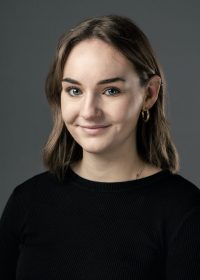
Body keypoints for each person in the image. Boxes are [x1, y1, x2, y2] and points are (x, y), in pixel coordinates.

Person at [0, 15, 200, 280]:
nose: (89, 111)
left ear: (149, 94)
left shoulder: (186, 211)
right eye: (74, 90)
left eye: (110, 91)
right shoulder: (26, 201)